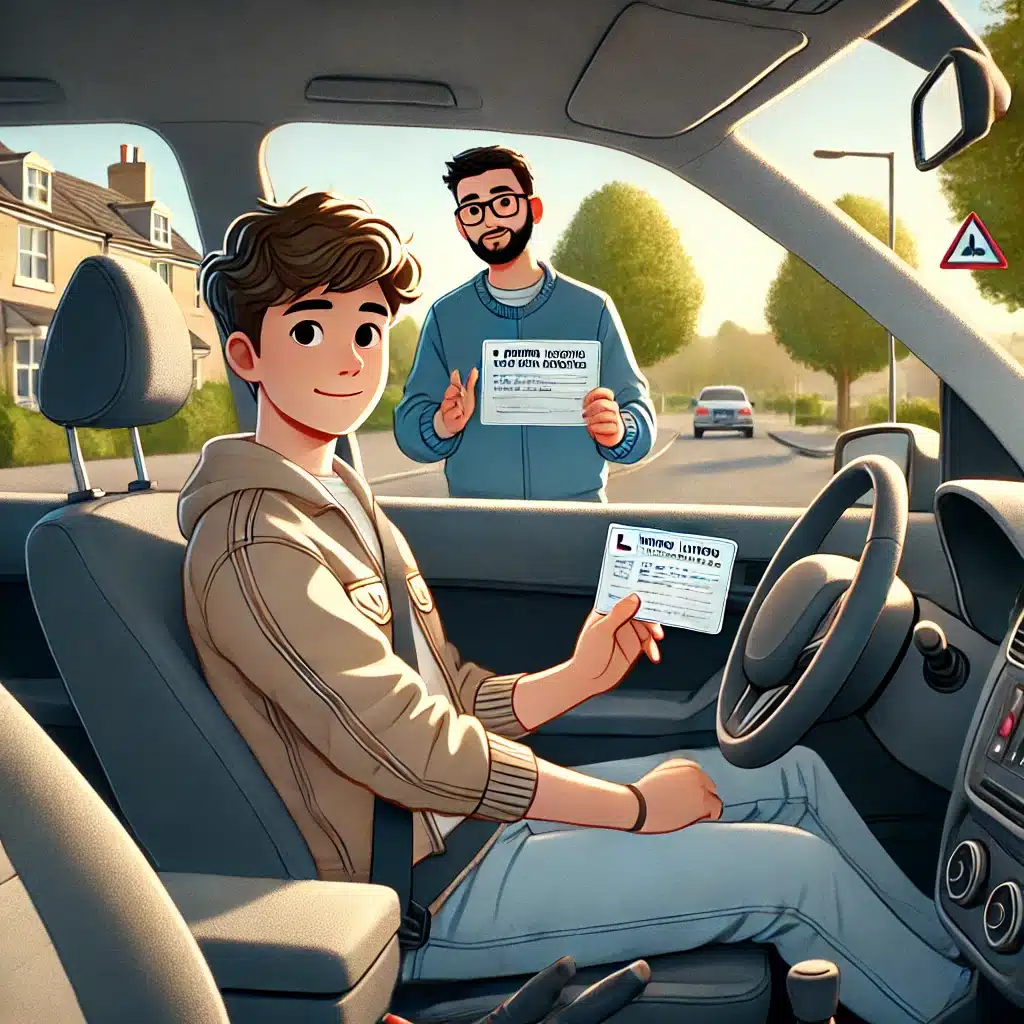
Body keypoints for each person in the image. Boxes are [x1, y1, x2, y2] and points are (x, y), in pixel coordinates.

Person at [183, 191, 972, 1024]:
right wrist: (633, 812)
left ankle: (954, 959)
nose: (347, 358)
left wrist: (574, 678)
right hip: (423, 888)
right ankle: (955, 1009)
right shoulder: (255, 544)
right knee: (792, 875)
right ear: (247, 354)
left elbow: (443, 694)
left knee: (797, 777)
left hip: (472, 826)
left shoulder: (336, 495)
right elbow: (411, 748)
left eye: (367, 330)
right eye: (310, 330)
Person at [392, 146, 656, 502]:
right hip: (478, 523)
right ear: (460, 226)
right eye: (473, 210)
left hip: (577, 524)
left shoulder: (592, 309)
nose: (489, 221)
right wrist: (442, 423)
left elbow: (637, 408)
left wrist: (620, 430)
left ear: (534, 209)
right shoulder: (446, 316)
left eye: (503, 203)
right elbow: (410, 421)